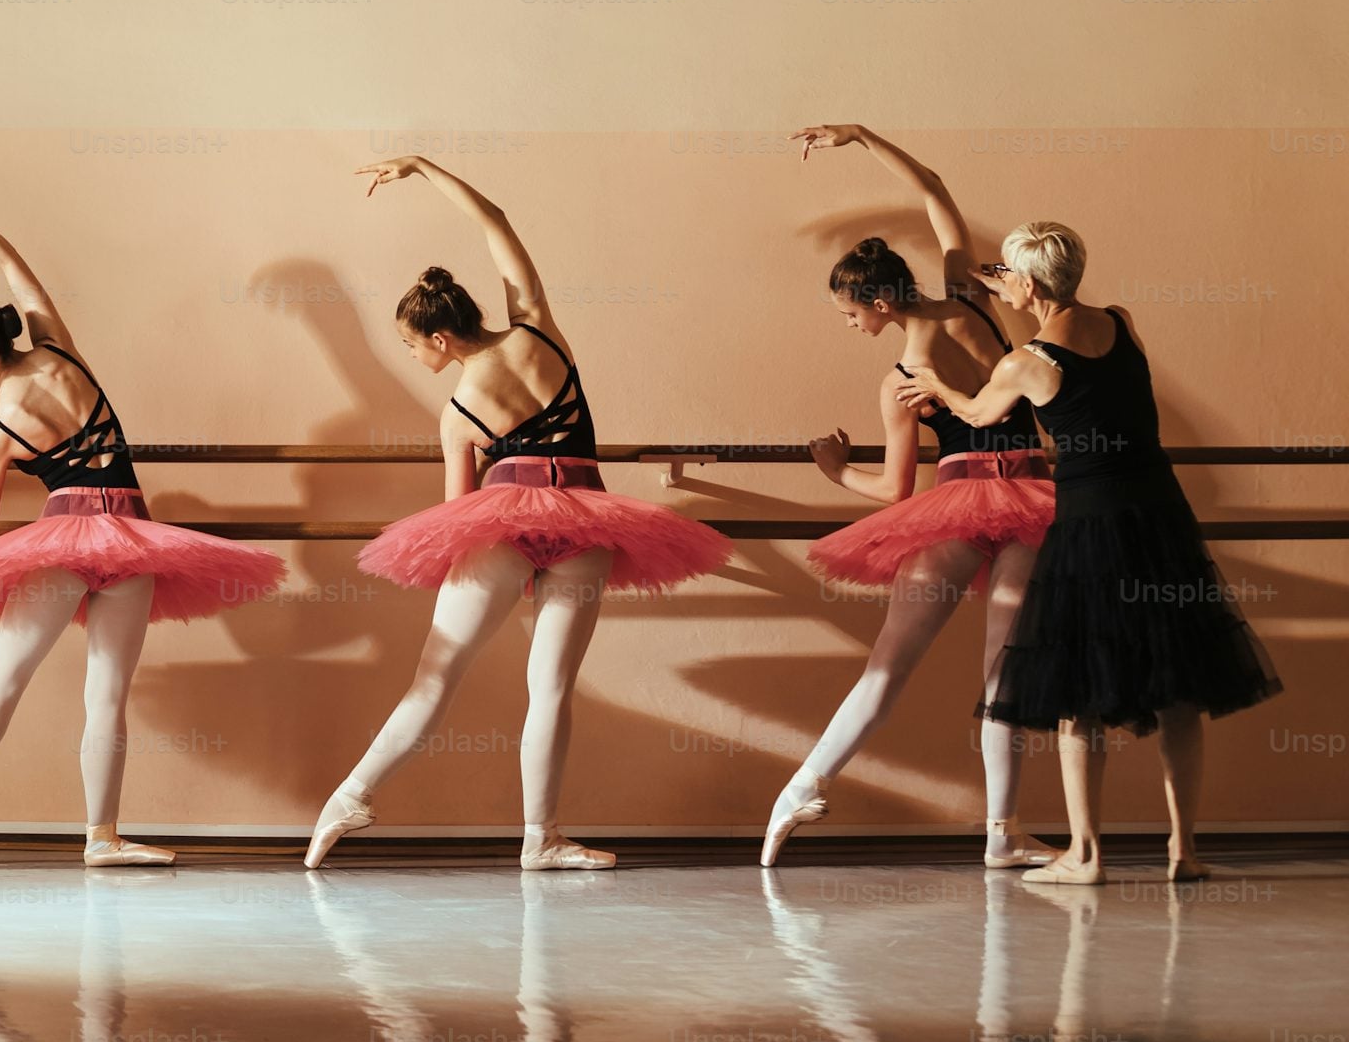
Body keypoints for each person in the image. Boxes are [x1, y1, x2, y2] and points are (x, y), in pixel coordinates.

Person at [306, 157, 729, 871]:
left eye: (411, 346)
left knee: (434, 677)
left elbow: (455, 514)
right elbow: (495, 220)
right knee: (552, 688)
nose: (413, 357)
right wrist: (425, 167)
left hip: (500, 527)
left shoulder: (457, 414)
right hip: (589, 517)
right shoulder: (540, 332)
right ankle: (542, 838)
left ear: (440, 339)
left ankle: (350, 797)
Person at [0, 191, 285, 868]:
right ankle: (103, 837)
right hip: (133, 532)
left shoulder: (0, 430)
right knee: (108, 698)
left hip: (65, 540)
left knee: (1, 689)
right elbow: (12, 263)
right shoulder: (60, 349)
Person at [894, 221, 1281, 883]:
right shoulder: (1120, 322)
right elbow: (1091, 385)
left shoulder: (1025, 363)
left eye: (1009, 274)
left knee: (1082, 692)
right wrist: (1008, 282)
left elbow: (984, 413)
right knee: (1180, 688)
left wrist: (938, 387)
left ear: (1033, 282)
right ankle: (1182, 851)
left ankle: (1086, 855)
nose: (1002, 283)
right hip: (1160, 513)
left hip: (1092, 524)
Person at [766, 125, 1059, 867]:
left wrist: (834, 473)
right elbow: (934, 192)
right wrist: (864, 137)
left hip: (960, 503)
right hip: (1031, 492)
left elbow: (894, 490)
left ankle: (803, 786)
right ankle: (1002, 833)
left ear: (877, 301)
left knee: (890, 666)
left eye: (850, 314)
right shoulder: (967, 297)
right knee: (1005, 669)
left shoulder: (900, 378)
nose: (852, 327)